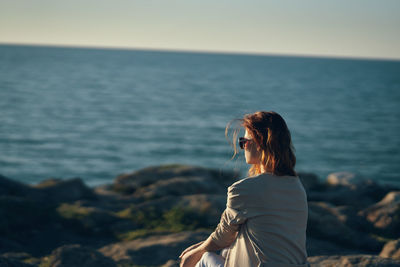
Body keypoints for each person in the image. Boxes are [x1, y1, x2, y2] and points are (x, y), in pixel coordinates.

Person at [179, 111, 309, 267]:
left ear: (259, 141)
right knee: (227, 249)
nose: (242, 147)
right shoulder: (296, 186)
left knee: (204, 258)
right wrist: (201, 245)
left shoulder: (245, 189)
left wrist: (192, 255)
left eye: (244, 141)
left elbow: (222, 238)